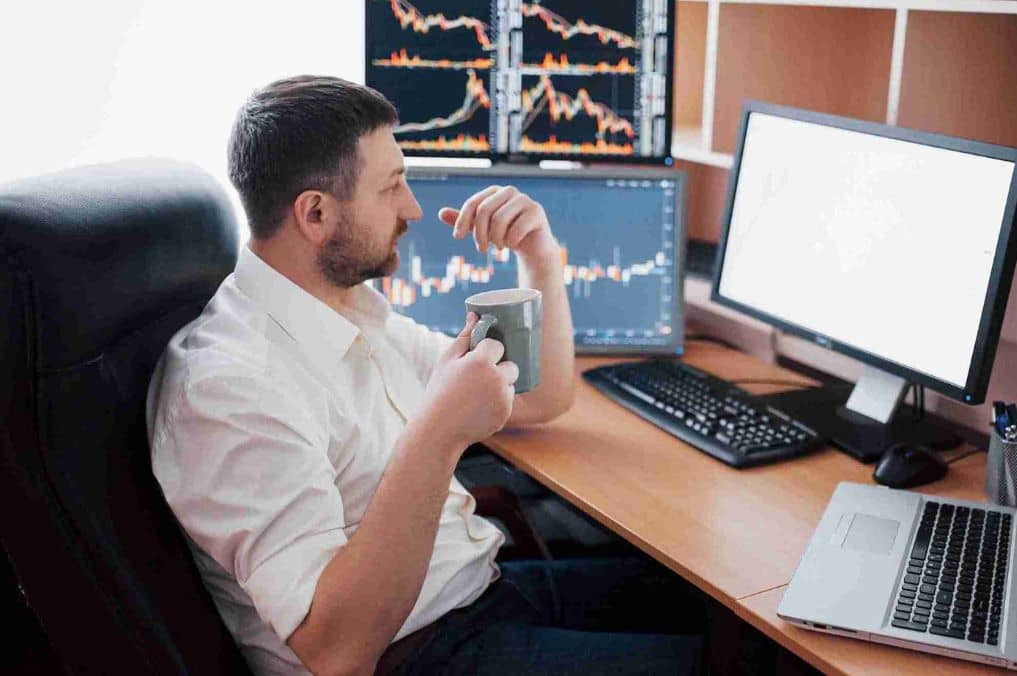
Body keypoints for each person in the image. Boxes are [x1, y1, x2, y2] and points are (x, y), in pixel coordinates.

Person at [146, 75, 705, 675]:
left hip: (477, 596)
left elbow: (536, 398)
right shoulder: (231, 388)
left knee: (724, 621)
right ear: (315, 213)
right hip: (415, 655)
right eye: (391, 188)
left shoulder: (344, 307)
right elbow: (339, 653)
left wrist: (538, 256)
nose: (412, 207)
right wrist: (439, 431)